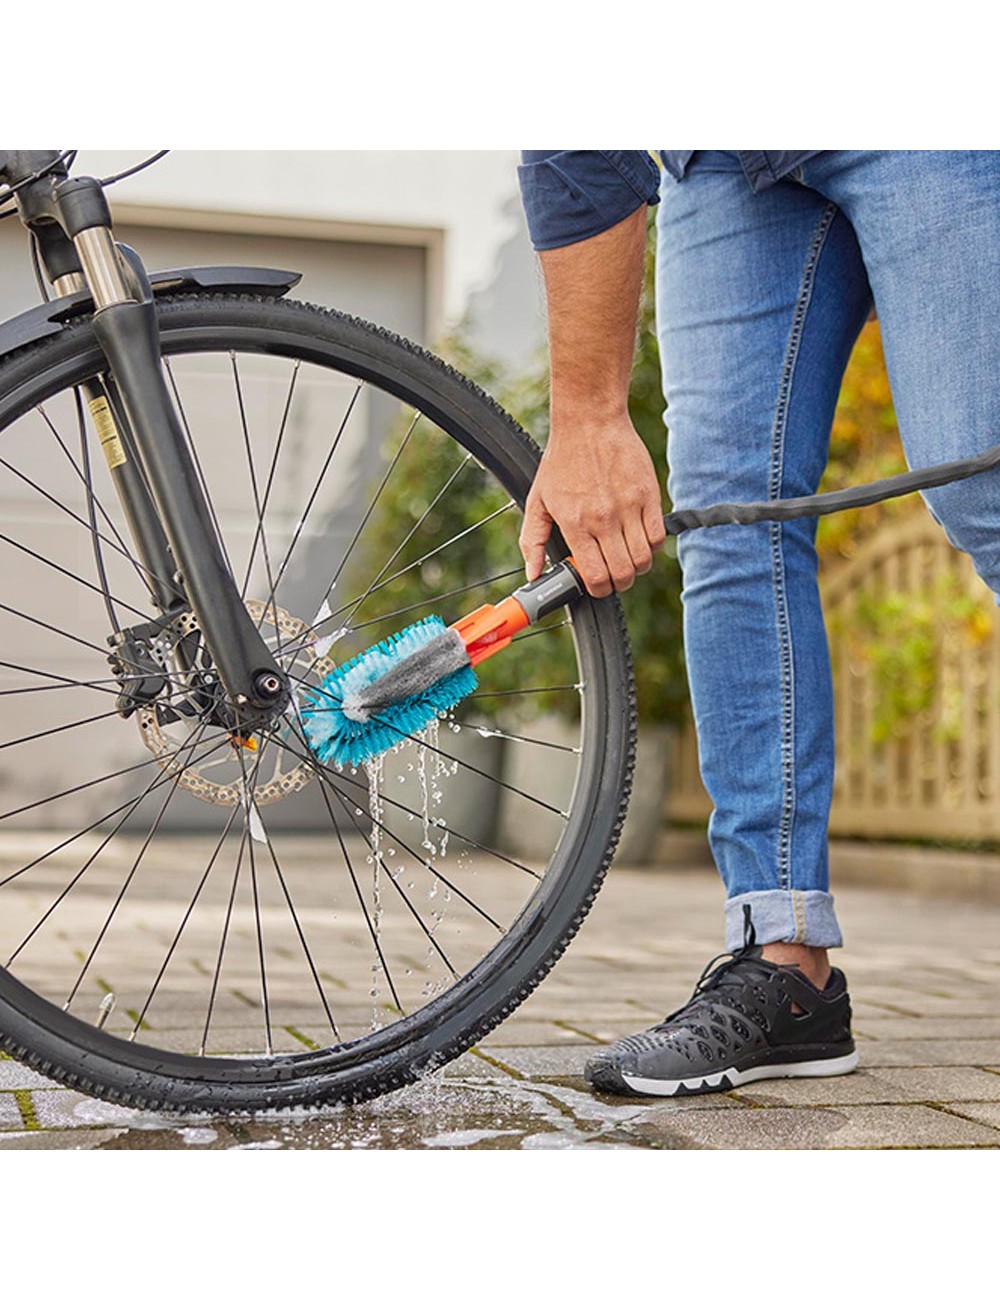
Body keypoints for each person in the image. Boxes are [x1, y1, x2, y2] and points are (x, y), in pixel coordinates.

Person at [516, 150, 1000, 1097]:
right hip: (724, 155)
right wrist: (585, 418)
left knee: (981, 487)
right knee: (734, 526)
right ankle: (785, 971)